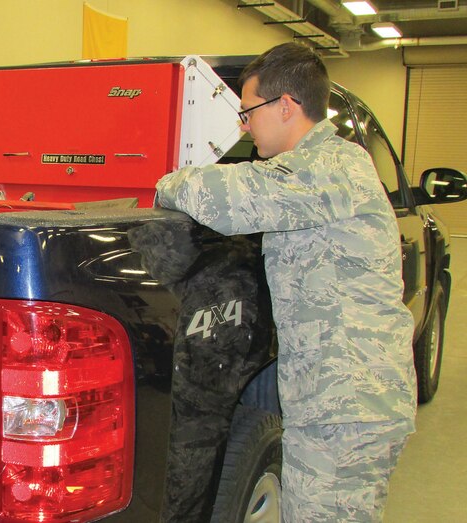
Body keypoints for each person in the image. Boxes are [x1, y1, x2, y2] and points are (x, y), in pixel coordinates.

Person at [155, 42, 416, 521]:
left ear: (286, 107)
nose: (244, 124)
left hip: (346, 407)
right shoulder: (324, 168)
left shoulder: (327, 168)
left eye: (248, 111)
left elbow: (226, 198)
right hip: (343, 402)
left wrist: (167, 178)